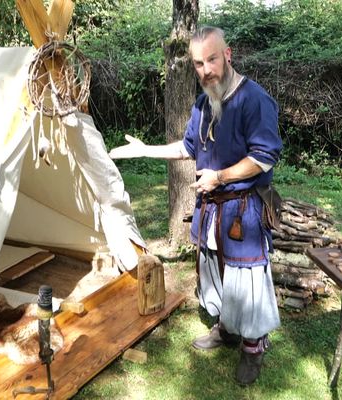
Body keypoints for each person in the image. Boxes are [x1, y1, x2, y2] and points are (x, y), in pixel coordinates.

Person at [109, 26, 283, 385]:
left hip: (243, 210)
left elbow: (263, 159)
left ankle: (253, 346)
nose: (205, 70)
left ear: (228, 54)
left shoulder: (255, 99)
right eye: (198, 63)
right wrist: (146, 150)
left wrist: (219, 177)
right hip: (213, 210)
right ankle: (227, 329)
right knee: (216, 272)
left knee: (245, 277)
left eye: (212, 60)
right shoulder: (204, 102)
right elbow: (188, 148)